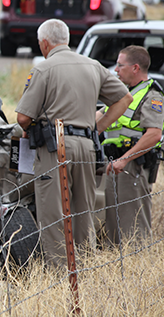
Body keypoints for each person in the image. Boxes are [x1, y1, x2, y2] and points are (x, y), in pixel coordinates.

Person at [16, 18, 133, 267]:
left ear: (45, 43)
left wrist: (31, 128)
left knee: (53, 210)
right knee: (83, 209)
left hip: (55, 145)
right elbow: (125, 98)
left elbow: (23, 117)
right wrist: (96, 128)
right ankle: (84, 266)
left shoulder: (44, 69)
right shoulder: (93, 65)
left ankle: (61, 272)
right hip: (87, 147)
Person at [98, 45, 164, 245]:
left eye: (120, 66)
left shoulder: (152, 96)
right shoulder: (125, 93)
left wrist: (123, 160)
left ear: (135, 68)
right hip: (114, 163)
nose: (116, 70)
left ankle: (135, 264)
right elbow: (100, 116)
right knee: (113, 220)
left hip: (132, 166)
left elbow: (154, 135)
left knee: (133, 224)